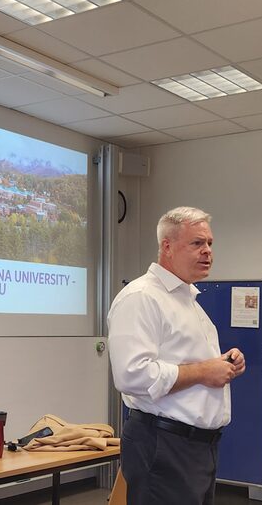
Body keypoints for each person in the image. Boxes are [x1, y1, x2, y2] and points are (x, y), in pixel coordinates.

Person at [108, 206, 245, 505]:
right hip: (164, 445)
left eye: (209, 243)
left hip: (197, 448)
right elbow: (133, 375)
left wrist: (223, 362)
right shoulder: (141, 297)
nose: (207, 251)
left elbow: (186, 359)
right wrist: (204, 371)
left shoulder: (188, 299)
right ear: (167, 247)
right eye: (197, 243)